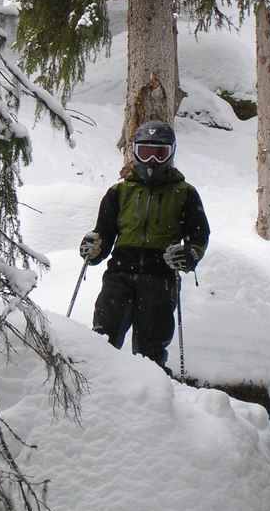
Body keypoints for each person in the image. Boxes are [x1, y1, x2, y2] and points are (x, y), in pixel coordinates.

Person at [79, 119, 210, 373]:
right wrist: (92, 249)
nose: (152, 162)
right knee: (103, 337)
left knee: (151, 346)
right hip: (119, 274)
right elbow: (104, 234)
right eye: (145, 152)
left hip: (159, 278)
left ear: (171, 154)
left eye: (159, 154)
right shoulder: (119, 192)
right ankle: (96, 386)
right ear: (135, 153)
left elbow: (199, 235)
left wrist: (188, 254)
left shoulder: (184, 193)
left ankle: (151, 400)